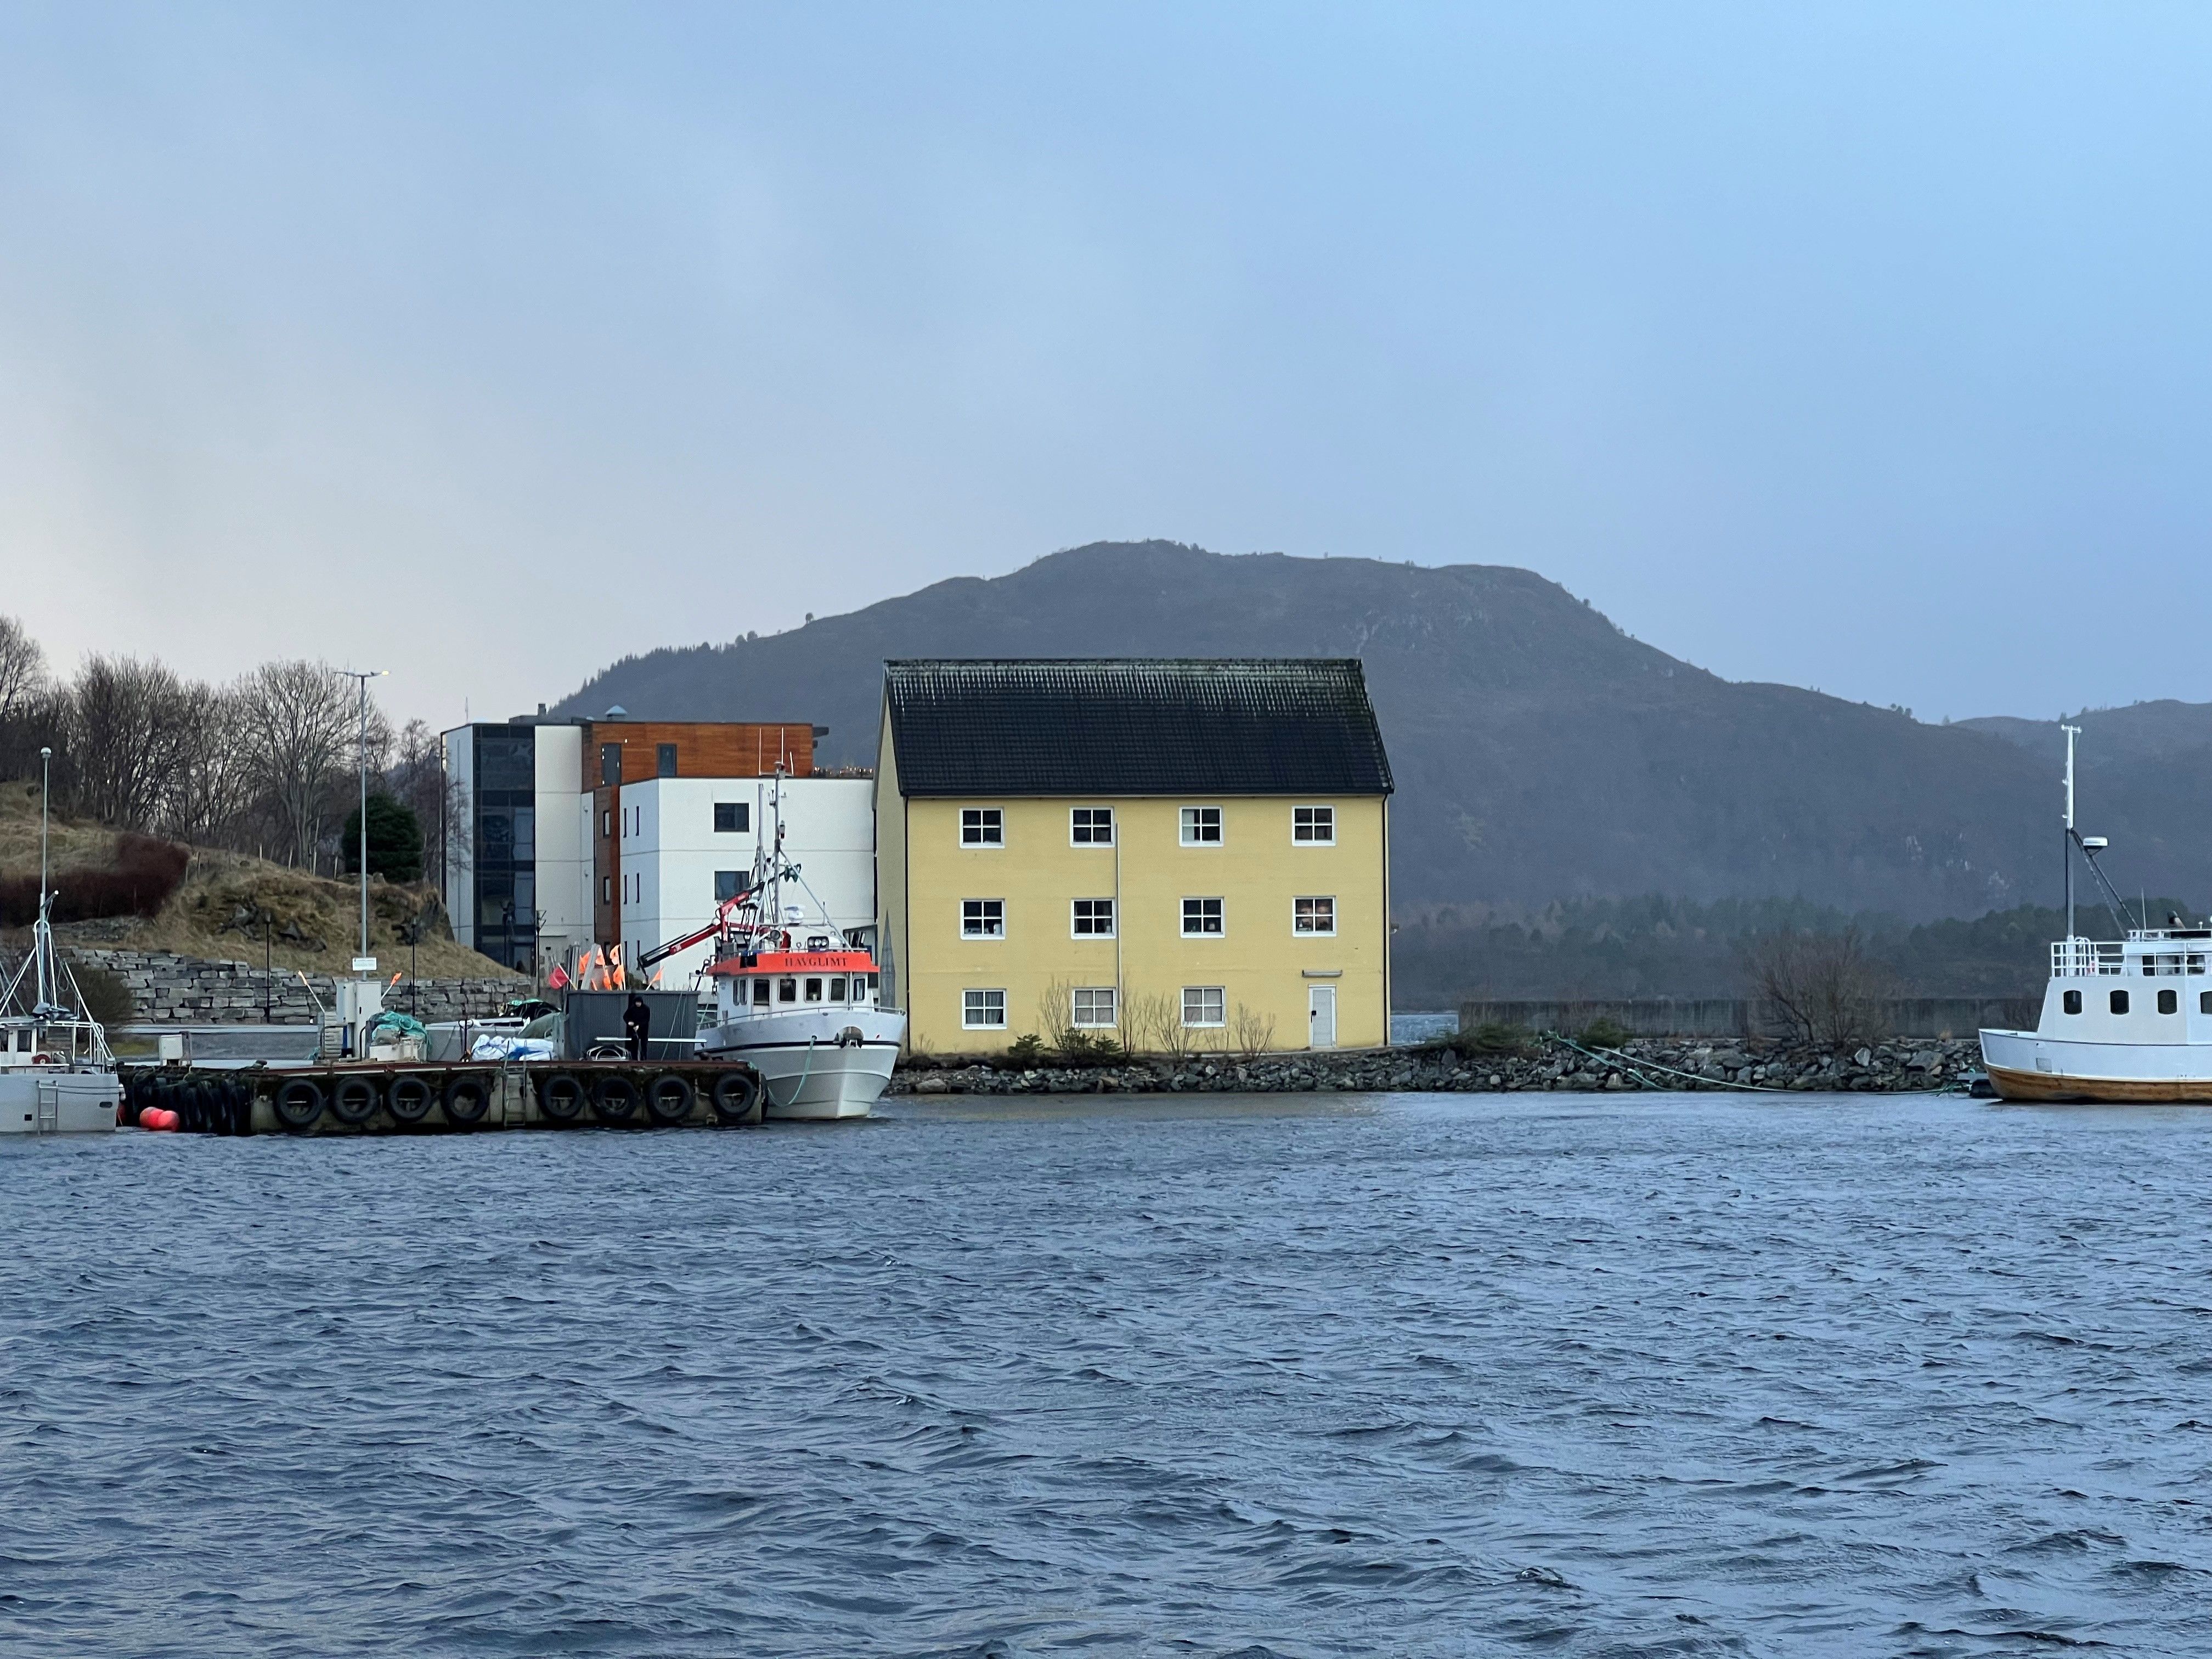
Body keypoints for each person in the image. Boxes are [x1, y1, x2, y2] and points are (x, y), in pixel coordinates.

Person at [623, 992, 652, 1063]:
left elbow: (647, 1020)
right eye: (637, 1002)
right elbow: (625, 1016)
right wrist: (629, 1022)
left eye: (639, 1002)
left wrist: (639, 1025)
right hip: (634, 1030)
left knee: (644, 1046)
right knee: (634, 1046)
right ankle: (635, 1060)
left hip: (644, 1030)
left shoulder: (646, 1009)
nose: (638, 1004)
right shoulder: (632, 1009)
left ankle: (644, 1060)